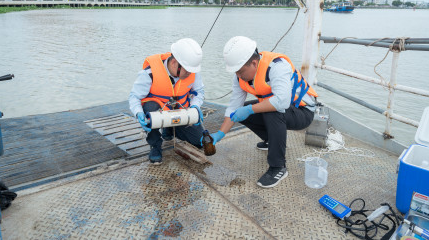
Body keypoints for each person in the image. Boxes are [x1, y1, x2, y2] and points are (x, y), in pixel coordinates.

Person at [209, 36, 318, 188]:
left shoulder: (277, 66)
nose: (238, 76)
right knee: (242, 110)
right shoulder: (240, 77)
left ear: (254, 63)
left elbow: (282, 102)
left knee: (271, 110)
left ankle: (278, 167)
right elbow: (234, 107)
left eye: (240, 72)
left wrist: (250, 109)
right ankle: (271, 141)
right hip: (284, 109)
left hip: (303, 111)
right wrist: (220, 134)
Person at [129, 38, 205, 165]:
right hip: (157, 111)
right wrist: (138, 113)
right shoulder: (149, 73)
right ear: (174, 62)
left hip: (180, 110)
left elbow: (199, 92)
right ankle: (155, 145)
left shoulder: (192, 72)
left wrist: (195, 106)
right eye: (187, 70)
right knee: (149, 107)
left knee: (199, 141)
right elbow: (134, 97)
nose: (190, 73)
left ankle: (169, 129)